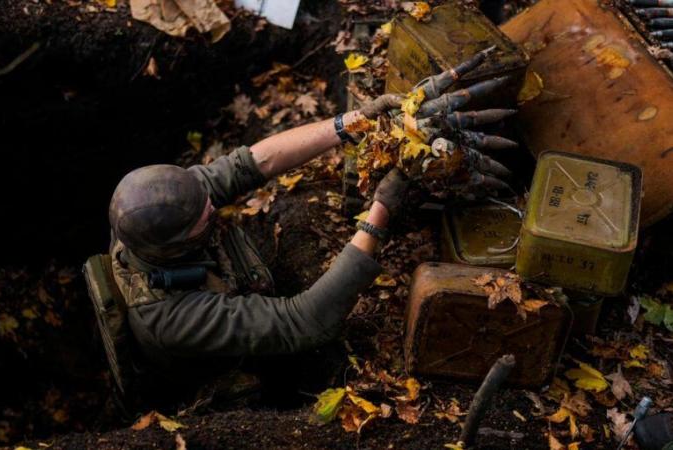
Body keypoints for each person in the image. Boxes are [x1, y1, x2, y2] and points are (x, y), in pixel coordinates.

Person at [107, 52, 515, 382]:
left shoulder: (164, 203)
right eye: (202, 218)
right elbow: (304, 322)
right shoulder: (172, 319)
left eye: (205, 199)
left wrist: (354, 121)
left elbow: (252, 164)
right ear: (175, 246)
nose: (211, 204)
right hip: (218, 371)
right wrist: (381, 208)